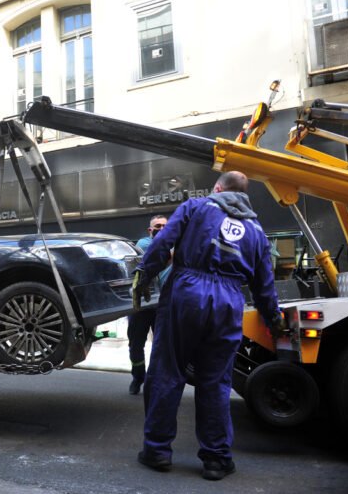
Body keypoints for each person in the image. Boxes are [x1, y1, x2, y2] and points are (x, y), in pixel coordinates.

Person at [131, 171, 282, 481]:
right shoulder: (256, 230)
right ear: (244, 196)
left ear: (218, 188)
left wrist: (144, 274)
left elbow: (163, 242)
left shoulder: (196, 207)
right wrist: (273, 319)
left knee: (167, 371)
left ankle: (158, 450)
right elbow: (264, 284)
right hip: (228, 301)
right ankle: (216, 459)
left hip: (187, 293)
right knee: (215, 381)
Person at [127, 215, 171, 395]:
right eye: (157, 226)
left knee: (161, 346)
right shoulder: (144, 244)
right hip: (142, 306)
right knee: (136, 344)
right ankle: (138, 377)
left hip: (163, 306)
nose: (161, 229)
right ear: (150, 230)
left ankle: (155, 380)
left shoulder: (174, 244)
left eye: (164, 226)